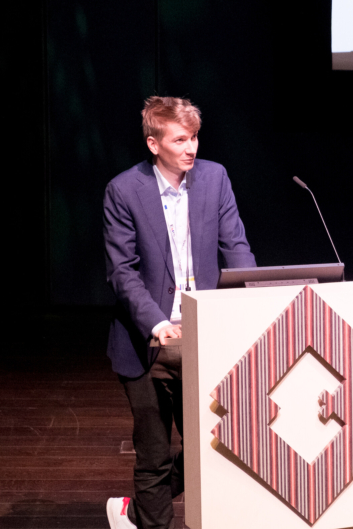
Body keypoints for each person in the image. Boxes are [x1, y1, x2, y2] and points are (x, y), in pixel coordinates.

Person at [103, 96, 256, 529]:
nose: (191, 148)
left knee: (217, 444)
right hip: (146, 343)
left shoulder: (214, 178)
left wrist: (252, 296)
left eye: (194, 138)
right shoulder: (123, 190)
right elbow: (122, 271)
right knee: (153, 455)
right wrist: (157, 323)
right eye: (180, 139)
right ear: (154, 144)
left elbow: (237, 247)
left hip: (205, 337)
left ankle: (134, 511)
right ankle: (149, 519)